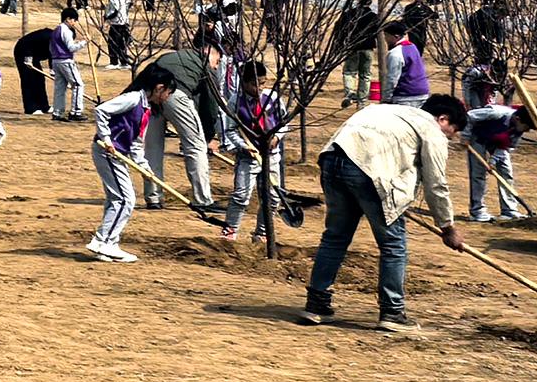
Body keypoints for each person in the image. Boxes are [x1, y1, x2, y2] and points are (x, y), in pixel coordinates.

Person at [303, 95, 468, 329]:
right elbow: (436, 184)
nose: (450, 137)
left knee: (335, 238)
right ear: (443, 119)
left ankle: (316, 305)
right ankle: (392, 311)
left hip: (332, 162)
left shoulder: (383, 110)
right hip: (369, 172)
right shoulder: (430, 129)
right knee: (393, 245)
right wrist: (447, 227)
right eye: (452, 132)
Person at [128, 34, 226, 210]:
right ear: (209, 52)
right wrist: (208, 136)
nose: (217, 66)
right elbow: (210, 105)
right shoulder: (205, 66)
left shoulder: (171, 56)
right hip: (174, 94)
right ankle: (203, 200)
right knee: (196, 147)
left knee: (152, 149)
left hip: (150, 96)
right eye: (217, 61)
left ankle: (153, 198)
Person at [86, 70, 172, 262]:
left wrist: (144, 167)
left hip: (117, 154)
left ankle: (108, 244)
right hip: (107, 152)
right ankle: (103, 242)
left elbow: (136, 143)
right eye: (169, 92)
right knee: (126, 199)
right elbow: (101, 110)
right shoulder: (132, 99)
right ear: (159, 88)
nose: (168, 97)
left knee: (116, 199)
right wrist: (106, 139)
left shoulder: (146, 109)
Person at [219, 59, 297, 239]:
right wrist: (243, 146)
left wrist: (277, 137)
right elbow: (230, 130)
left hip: (272, 156)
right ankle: (230, 230)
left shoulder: (273, 98)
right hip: (248, 157)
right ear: (245, 83)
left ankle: (262, 233)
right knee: (241, 195)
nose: (260, 88)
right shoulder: (235, 102)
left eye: (263, 83)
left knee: (273, 197)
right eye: (255, 84)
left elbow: (284, 122)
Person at [461, 81, 531, 221]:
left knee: (506, 172)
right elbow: (470, 116)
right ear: (517, 119)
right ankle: (477, 212)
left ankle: (509, 210)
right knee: (478, 174)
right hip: (478, 137)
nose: (527, 130)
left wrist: (493, 162)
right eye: (526, 127)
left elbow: (505, 147)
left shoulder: (519, 129)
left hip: (496, 142)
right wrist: (465, 137)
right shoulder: (496, 113)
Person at [44, 8, 88, 117]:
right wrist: (84, 42)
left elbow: (51, 47)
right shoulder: (66, 31)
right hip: (65, 61)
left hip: (56, 61)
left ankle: (57, 112)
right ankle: (76, 112)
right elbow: (71, 48)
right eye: (74, 20)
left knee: (60, 87)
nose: (74, 23)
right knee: (78, 85)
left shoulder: (56, 30)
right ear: (68, 19)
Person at [101, 0, 134, 68]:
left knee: (112, 43)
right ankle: (124, 62)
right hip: (122, 22)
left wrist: (107, 17)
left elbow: (115, 11)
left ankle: (114, 62)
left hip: (116, 23)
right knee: (121, 43)